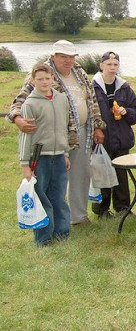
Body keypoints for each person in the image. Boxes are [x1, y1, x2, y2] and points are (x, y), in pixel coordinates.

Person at [8, 40, 105, 226]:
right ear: (54, 57)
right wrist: (17, 118)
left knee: (82, 173)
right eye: (63, 57)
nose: (68, 61)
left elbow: (91, 100)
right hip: (54, 135)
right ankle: (52, 220)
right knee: (55, 179)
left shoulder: (80, 72)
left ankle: (78, 216)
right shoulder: (43, 73)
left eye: (71, 57)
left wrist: (98, 125)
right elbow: (20, 100)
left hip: (83, 131)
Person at [18, 63, 72, 246]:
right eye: (39, 79)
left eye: (47, 78)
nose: (44, 82)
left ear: (53, 79)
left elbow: (64, 128)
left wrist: (65, 153)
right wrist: (25, 164)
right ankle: (43, 237)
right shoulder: (30, 104)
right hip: (39, 157)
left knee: (59, 196)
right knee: (42, 196)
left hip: (58, 156)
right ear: (33, 81)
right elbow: (26, 135)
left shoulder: (62, 100)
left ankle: (62, 232)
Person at [91, 52, 136, 219]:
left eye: (115, 65)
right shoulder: (93, 87)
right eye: (109, 64)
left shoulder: (124, 87)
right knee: (102, 173)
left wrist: (126, 111)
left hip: (121, 137)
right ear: (101, 66)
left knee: (121, 176)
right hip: (101, 138)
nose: (112, 68)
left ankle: (123, 208)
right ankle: (102, 210)